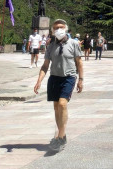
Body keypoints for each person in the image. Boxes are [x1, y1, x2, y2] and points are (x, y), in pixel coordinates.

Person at [33, 19, 83, 153]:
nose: (58, 29)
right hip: (54, 78)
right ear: (52, 31)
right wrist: (39, 81)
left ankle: (60, 136)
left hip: (69, 77)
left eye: (61, 27)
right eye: (55, 28)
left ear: (66, 28)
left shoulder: (73, 44)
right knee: (56, 107)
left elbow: (79, 63)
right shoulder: (50, 46)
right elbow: (45, 66)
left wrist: (81, 80)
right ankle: (61, 135)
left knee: (62, 104)